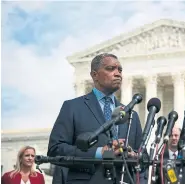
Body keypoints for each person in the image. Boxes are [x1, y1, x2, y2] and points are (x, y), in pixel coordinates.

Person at [47, 53, 144, 184]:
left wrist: (134, 155)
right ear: (94, 75)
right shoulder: (73, 107)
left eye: (120, 70)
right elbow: (55, 150)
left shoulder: (131, 115)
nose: (118, 74)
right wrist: (99, 153)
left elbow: (144, 158)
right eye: (111, 69)